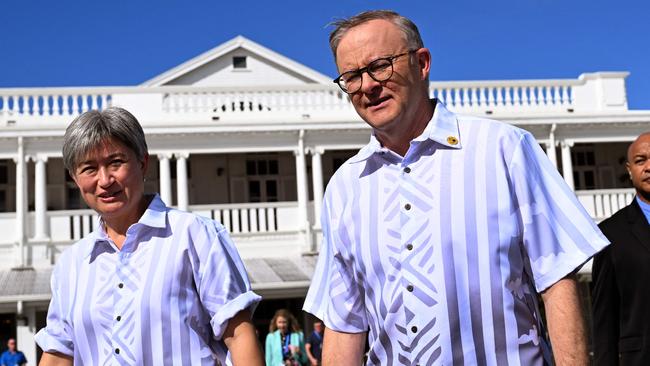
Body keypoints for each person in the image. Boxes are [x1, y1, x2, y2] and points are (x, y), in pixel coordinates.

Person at [303, 10, 610, 366]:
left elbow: (558, 280)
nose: (368, 85)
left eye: (380, 65)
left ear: (422, 63)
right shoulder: (344, 187)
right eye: (352, 76)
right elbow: (345, 325)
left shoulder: (503, 149)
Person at [34, 107, 263, 365]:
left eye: (115, 163)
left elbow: (239, 334)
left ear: (143, 163)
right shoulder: (71, 264)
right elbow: (59, 353)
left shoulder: (194, 236)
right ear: (75, 178)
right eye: (89, 168)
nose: (105, 179)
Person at [591, 132, 650, 366]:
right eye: (640, 160)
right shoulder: (610, 234)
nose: (648, 167)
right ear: (629, 169)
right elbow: (604, 321)